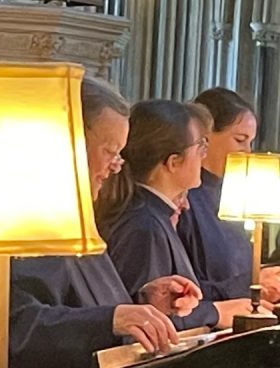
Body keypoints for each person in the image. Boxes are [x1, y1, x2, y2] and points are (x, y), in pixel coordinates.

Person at [0, 78, 202, 368]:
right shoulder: (28, 219)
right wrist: (113, 318)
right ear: (71, 142)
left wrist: (143, 301)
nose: (116, 166)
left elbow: (78, 304)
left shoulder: (74, 215)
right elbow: (15, 327)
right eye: (109, 151)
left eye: (119, 153)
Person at [98, 99, 255, 329]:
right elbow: (144, 322)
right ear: (173, 162)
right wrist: (216, 312)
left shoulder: (157, 216)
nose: (204, 156)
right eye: (200, 148)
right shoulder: (144, 226)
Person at [176, 88, 280, 302]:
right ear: (205, 136)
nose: (248, 152)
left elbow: (235, 268)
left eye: (250, 142)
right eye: (240, 140)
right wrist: (251, 285)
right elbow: (183, 289)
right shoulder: (183, 197)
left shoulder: (230, 195)